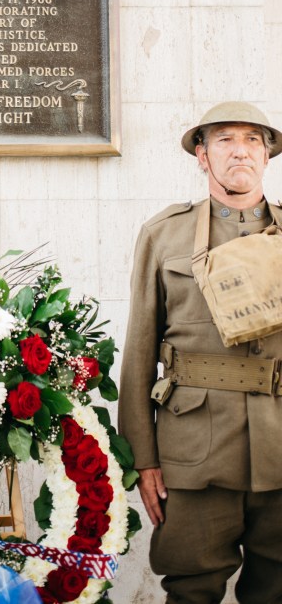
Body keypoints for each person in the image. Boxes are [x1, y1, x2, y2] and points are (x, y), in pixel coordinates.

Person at [119, 102, 282, 604]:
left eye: (252, 140)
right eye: (225, 139)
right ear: (202, 156)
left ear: (267, 156)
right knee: (191, 589)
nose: (240, 150)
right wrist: (143, 460)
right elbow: (139, 353)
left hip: (281, 442)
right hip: (194, 451)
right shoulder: (164, 234)